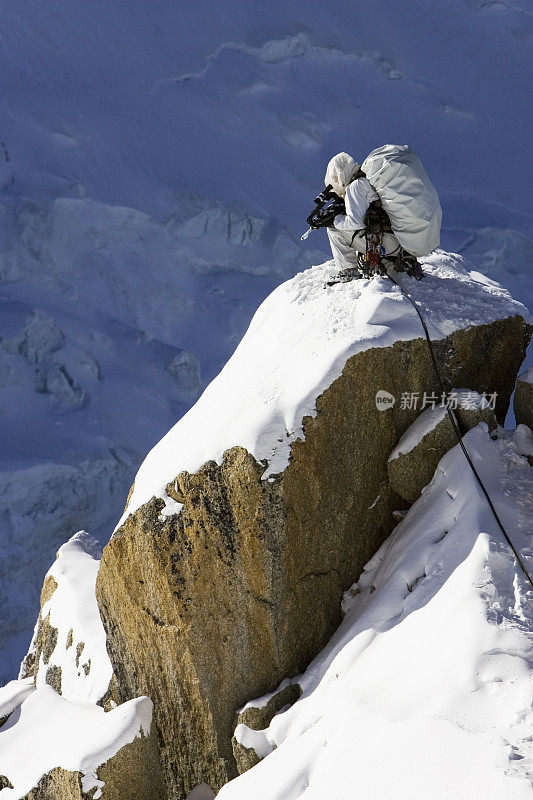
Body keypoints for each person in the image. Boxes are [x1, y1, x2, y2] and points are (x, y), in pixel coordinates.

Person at [324, 152, 419, 280]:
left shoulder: (354, 187)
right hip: (399, 243)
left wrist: (335, 220)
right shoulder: (366, 180)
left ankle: (348, 272)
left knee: (333, 230)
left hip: (386, 244)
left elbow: (356, 223)